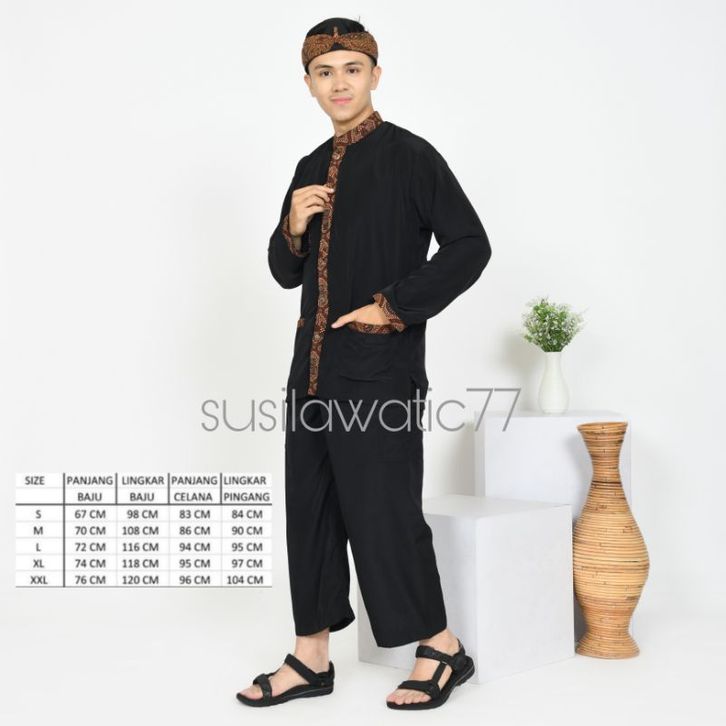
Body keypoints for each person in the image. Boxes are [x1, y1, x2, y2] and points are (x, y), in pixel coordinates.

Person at [237, 16, 491, 710]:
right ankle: (310, 657)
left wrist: (392, 306)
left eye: (352, 69)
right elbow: (284, 273)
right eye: (325, 72)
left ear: (375, 75)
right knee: (311, 509)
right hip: (311, 373)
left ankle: (441, 646)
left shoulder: (411, 157)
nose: (339, 83)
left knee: (383, 511)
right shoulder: (308, 167)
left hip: (379, 372)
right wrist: (292, 226)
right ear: (309, 84)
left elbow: (470, 245)